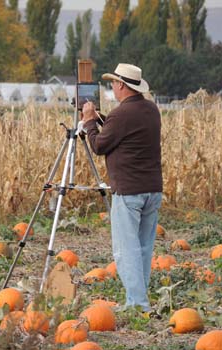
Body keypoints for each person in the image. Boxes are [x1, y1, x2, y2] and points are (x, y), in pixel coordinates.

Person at [81, 63, 163, 312]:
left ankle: (137, 304)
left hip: (129, 191)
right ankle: (139, 299)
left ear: (122, 86)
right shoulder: (151, 109)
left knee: (125, 250)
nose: (112, 88)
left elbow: (99, 146)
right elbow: (125, 131)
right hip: (152, 189)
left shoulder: (120, 115)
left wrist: (88, 122)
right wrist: (100, 119)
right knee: (144, 248)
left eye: (114, 84)